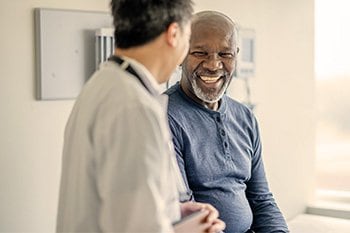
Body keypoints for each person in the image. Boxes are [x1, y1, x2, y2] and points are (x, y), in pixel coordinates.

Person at [56, 1, 226, 232]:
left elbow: (121, 204)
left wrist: (173, 213)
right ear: (174, 34)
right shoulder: (133, 107)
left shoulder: (102, 85)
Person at [165, 11, 289, 233]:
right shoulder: (164, 117)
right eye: (200, 53)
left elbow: (261, 200)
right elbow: (185, 214)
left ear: (236, 56)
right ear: (180, 54)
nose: (213, 65)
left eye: (225, 54)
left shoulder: (245, 117)